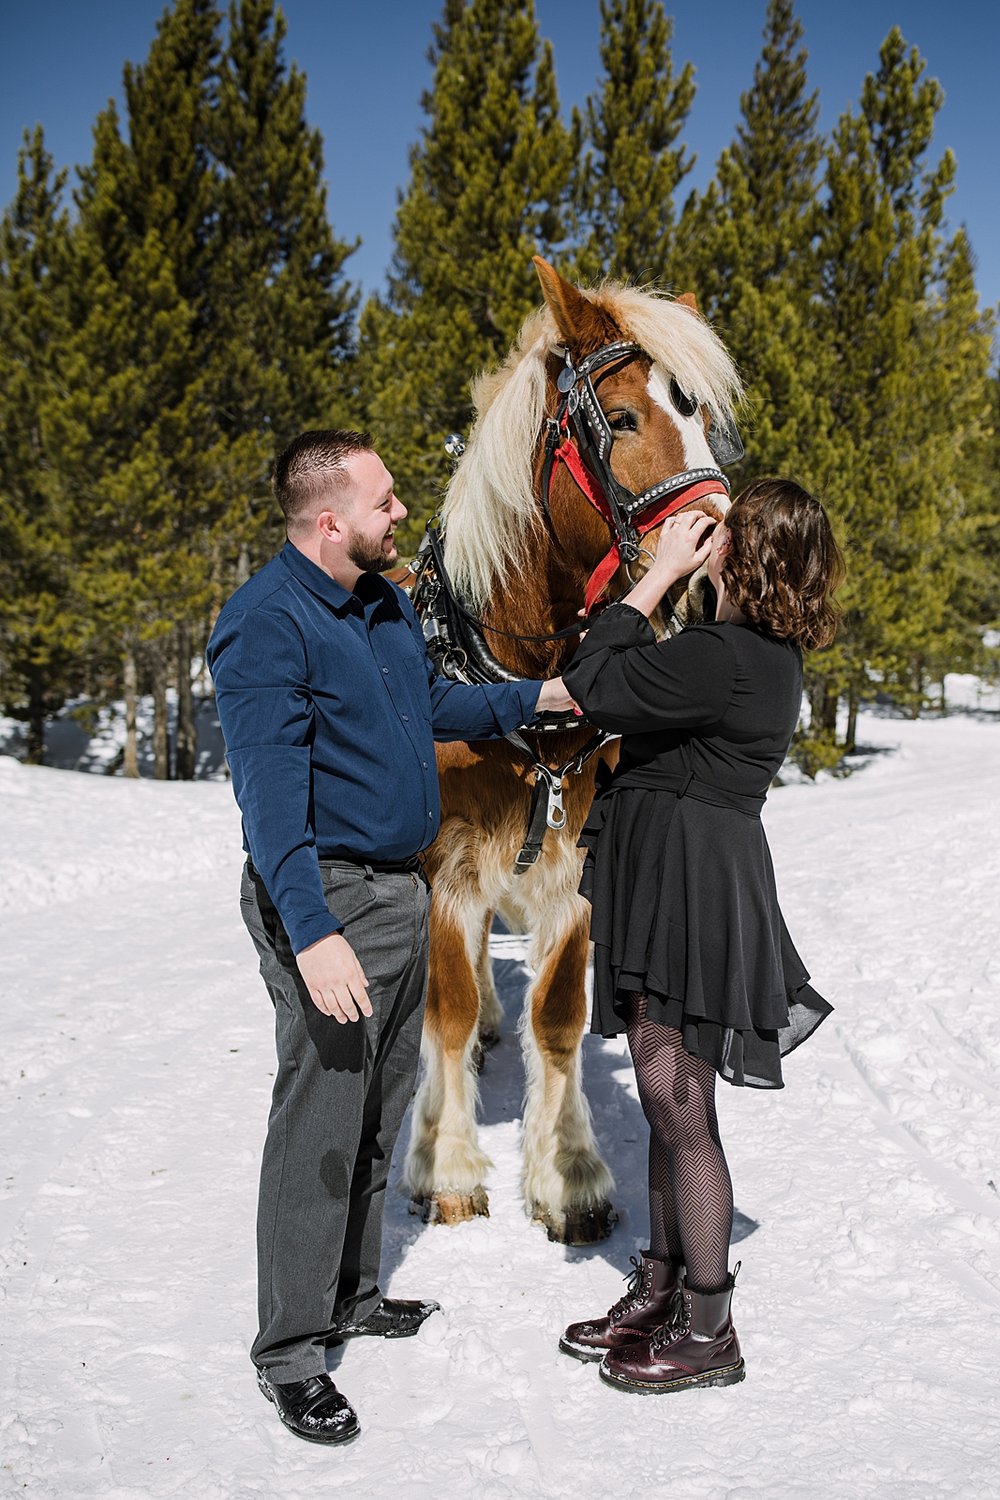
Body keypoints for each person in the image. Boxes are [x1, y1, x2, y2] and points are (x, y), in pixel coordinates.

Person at [207, 428, 575, 1444]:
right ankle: (289, 1352)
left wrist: (536, 698)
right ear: (329, 519)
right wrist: (311, 930)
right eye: (383, 501)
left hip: (401, 892)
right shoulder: (265, 625)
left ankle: (353, 1294)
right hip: (326, 897)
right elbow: (271, 803)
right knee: (318, 1120)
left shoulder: (380, 601)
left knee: (384, 1100)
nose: (400, 513)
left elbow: (429, 705)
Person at [558, 478, 845, 1394]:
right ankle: (663, 1286)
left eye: (720, 534)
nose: (705, 540)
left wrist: (650, 580)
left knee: (678, 1103)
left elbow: (596, 680)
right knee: (666, 1101)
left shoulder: (725, 654)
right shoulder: (747, 653)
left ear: (739, 556)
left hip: (687, 889)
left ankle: (709, 1325)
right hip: (684, 879)